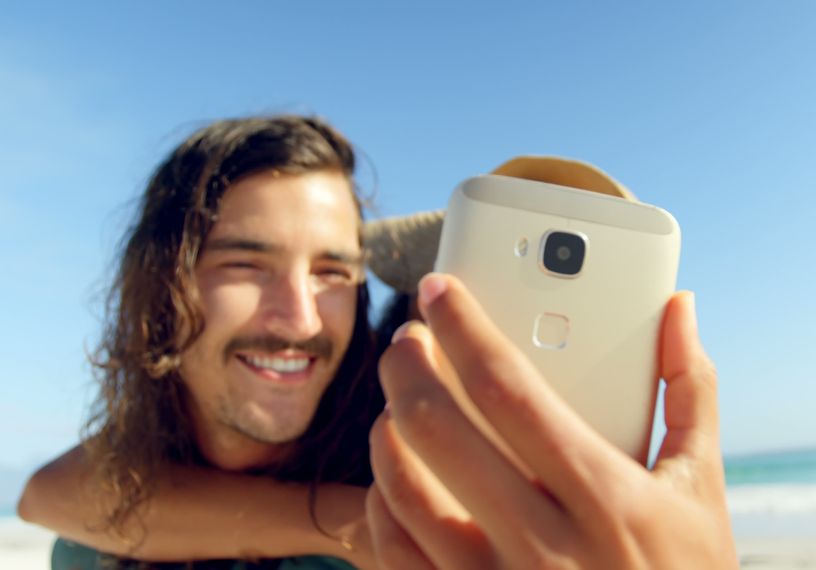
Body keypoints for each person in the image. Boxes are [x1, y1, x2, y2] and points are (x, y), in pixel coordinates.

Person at [19, 114, 739, 569]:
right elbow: (54, 493)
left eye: (333, 270)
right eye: (245, 263)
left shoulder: (419, 502)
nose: (299, 316)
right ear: (161, 281)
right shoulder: (101, 521)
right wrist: (343, 522)